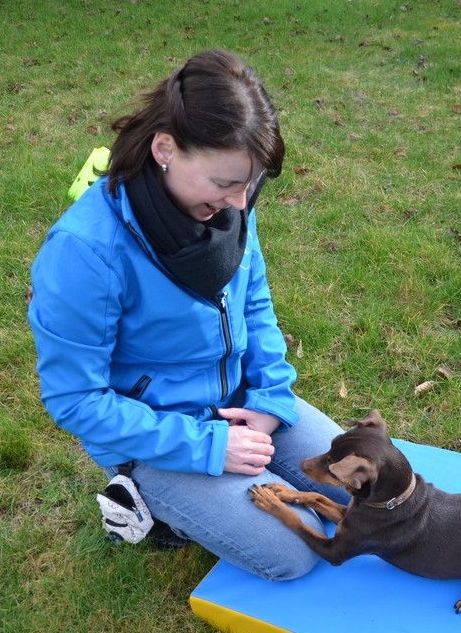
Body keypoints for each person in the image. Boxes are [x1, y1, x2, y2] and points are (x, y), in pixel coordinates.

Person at [28, 49, 349, 581]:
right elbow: (75, 399)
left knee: (368, 495)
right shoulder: (86, 251)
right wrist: (208, 447)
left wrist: (270, 397)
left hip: (241, 402)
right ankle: (149, 502)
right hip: (157, 431)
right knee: (292, 554)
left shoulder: (228, 207)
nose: (240, 203)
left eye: (249, 185)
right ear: (165, 149)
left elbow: (254, 305)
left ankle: (239, 473)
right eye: (225, 183)